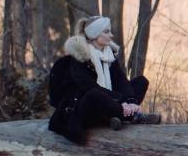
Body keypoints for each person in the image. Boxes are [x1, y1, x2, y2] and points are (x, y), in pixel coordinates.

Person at [48, 16, 161, 144]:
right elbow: (89, 87)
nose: (111, 35)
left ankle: (114, 116)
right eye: (106, 32)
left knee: (141, 81)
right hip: (85, 110)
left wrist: (130, 100)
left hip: (109, 101)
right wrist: (121, 100)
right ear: (94, 35)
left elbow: (120, 79)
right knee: (94, 94)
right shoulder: (79, 58)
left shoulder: (108, 55)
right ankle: (132, 116)